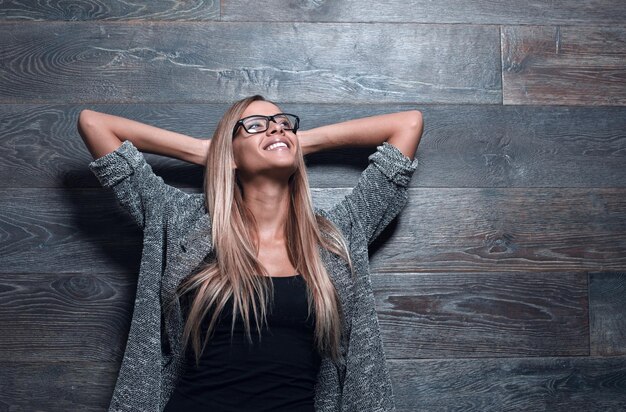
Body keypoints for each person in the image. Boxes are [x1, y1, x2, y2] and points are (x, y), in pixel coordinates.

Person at [78, 95, 423, 412]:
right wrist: (206, 151)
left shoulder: (338, 233)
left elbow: (407, 125)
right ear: (230, 154)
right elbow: (95, 125)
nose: (276, 127)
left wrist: (291, 142)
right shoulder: (184, 223)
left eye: (284, 123)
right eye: (255, 125)